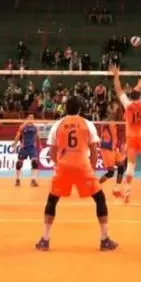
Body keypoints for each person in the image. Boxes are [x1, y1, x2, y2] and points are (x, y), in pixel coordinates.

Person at [35, 96, 117, 252]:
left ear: (66, 109)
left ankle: (45, 240)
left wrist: (59, 164)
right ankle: (104, 240)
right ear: (80, 109)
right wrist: (91, 170)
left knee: (52, 200)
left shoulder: (57, 125)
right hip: (82, 166)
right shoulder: (88, 124)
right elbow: (94, 151)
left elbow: (52, 152)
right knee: (100, 199)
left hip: (63, 166)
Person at [110, 62, 141, 203]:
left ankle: (128, 190)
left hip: (131, 138)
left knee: (130, 166)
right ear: (140, 96)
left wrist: (116, 75)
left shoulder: (127, 104)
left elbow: (118, 90)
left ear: (131, 97)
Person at [97, 117, 126, 196]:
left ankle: (116, 189)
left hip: (114, 148)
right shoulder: (107, 123)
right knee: (111, 172)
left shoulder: (117, 123)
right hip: (106, 148)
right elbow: (104, 136)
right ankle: (95, 186)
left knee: (121, 167)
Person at [13, 115, 42, 187]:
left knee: (35, 162)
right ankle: (17, 179)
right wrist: (14, 144)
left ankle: (33, 180)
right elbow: (18, 136)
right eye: (29, 118)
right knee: (19, 164)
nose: (31, 119)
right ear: (27, 119)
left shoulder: (35, 127)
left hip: (32, 147)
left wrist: (40, 144)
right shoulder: (22, 127)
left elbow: (38, 136)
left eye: (32, 118)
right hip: (24, 147)